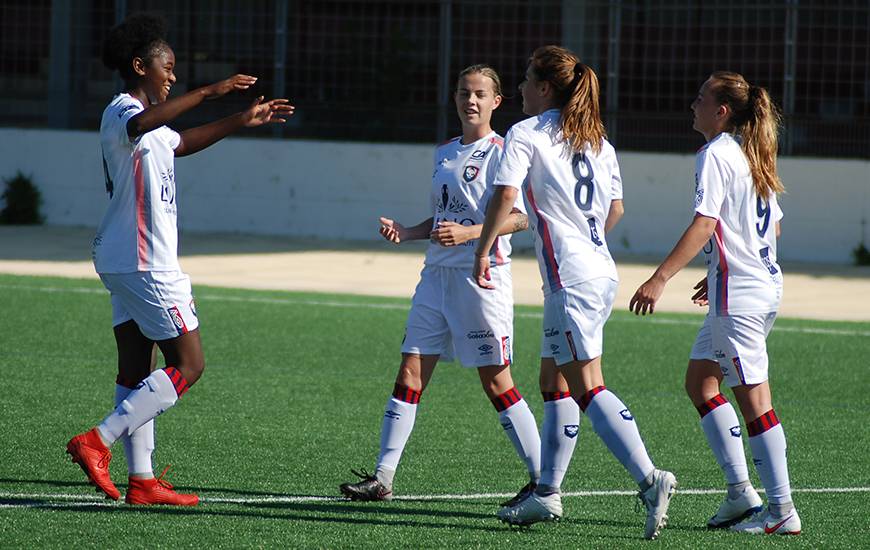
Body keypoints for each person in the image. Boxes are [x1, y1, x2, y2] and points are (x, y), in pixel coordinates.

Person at [65, 13, 293, 506]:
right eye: (166, 66)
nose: (172, 75)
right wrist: (213, 92)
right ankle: (97, 441)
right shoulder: (122, 112)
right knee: (189, 364)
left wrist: (240, 119)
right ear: (138, 65)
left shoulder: (154, 126)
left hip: (126, 259)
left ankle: (142, 481)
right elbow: (143, 124)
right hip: (146, 263)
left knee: (134, 367)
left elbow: (181, 142)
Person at [473, 46, 676, 540]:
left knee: (587, 385)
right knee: (553, 380)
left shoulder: (525, 133)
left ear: (545, 88)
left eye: (525, 79)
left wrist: (483, 249)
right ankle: (547, 492)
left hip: (572, 277)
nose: (519, 88)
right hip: (596, 270)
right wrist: (587, 243)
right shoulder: (596, 140)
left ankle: (651, 480)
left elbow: (505, 196)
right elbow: (617, 209)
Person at [339, 65, 541, 504]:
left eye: (480, 94)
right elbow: (445, 216)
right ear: (455, 98)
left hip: (480, 279)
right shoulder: (444, 152)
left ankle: (542, 479)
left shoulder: (505, 152)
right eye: (464, 93)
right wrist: (409, 232)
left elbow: (523, 218)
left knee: (497, 382)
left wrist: (471, 237)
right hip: (436, 277)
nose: (471, 101)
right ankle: (383, 477)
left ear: (496, 102)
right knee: (410, 371)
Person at [629, 71, 799, 535]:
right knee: (702, 383)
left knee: (755, 401)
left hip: (740, 297)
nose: (692, 104)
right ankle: (741, 492)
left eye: (701, 97)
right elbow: (772, 229)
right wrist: (718, 268)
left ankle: (782, 511)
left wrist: (659, 278)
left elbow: (706, 223)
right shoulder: (753, 153)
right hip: (754, 286)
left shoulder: (716, 154)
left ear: (721, 111)